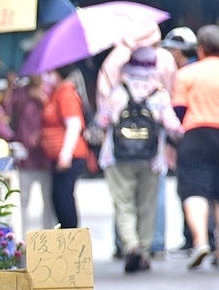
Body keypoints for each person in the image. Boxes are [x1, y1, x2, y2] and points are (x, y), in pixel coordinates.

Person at [96, 47, 182, 273]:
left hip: (117, 156)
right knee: (147, 205)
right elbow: (173, 126)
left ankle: (130, 244)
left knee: (124, 204)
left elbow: (102, 121)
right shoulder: (160, 94)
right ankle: (143, 251)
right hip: (151, 158)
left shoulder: (117, 92)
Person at [172, 25, 219, 269]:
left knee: (194, 191)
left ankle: (200, 241)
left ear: (200, 49)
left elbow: (178, 110)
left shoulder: (186, 74)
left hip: (196, 135)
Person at [1, 73, 56, 230]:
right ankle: (23, 240)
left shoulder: (50, 91)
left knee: (48, 200)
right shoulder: (21, 92)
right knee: (23, 199)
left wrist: (43, 99)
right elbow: (6, 110)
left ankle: (48, 235)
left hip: (45, 154)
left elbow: (56, 114)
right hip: (25, 156)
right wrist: (10, 87)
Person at [40, 64, 90, 229]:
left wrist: (65, 154)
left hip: (70, 156)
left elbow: (74, 125)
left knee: (63, 199)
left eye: (49, 72)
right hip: (59, 156)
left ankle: (72, 238)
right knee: (59, 198)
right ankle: (67, 237)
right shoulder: (55, 93)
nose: (46, 77)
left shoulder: (66, 94)